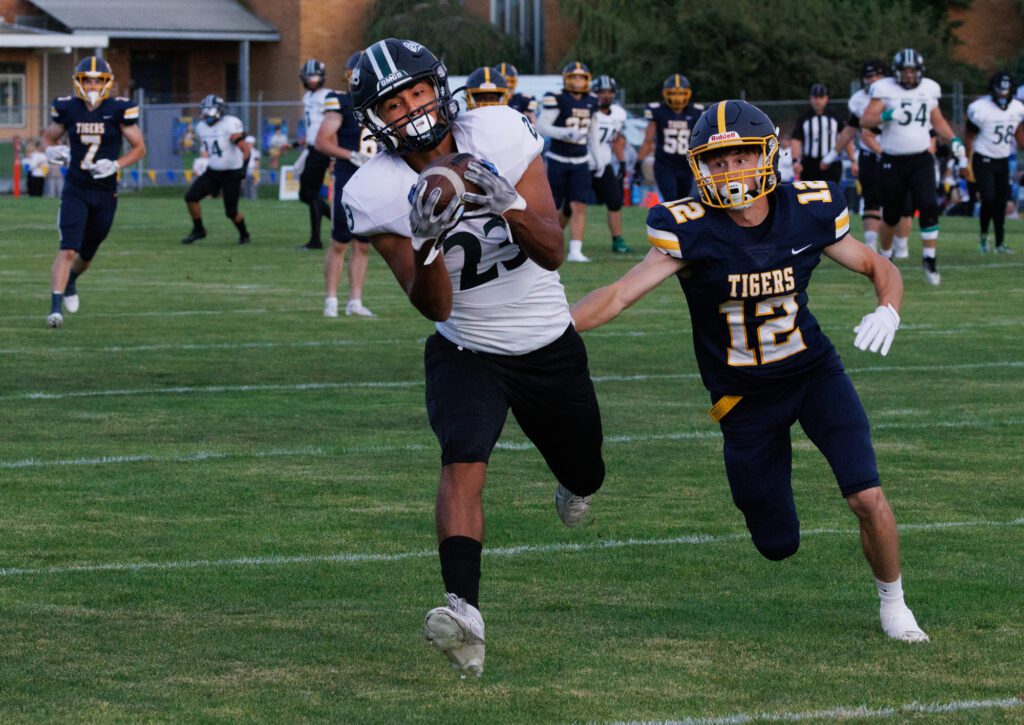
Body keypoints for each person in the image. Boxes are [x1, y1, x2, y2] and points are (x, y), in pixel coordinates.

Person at [571, 99, 928, 644]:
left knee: (866, 495)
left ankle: (895, 605)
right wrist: (547, 331)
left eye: (740, 157)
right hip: (743, 400)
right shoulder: (690, 230)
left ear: (767, 155)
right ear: (699, 168)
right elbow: (618, 296)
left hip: (813, 375)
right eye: (717, 162)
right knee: (776, 542)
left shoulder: (806, 210)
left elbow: (879, 265)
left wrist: (889, 308)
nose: (729, 171)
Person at [342, 38, 606, 678]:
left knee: (587, 471)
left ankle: (574, 481)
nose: (410, 109)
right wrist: (428, 243)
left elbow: (552, 250)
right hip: (467, 347)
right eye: (393, 103)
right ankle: (464, 613)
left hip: (546, 341)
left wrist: (509, 206)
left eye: (416, 92)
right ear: (374, 118)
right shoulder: (372, 191)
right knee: (463, 459)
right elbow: (432, 306)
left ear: (438, 86)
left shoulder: (498, 129)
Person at [41, 56, 146, 328]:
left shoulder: (119, 109)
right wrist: (51, 149)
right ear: (78, 81)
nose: (92, 84)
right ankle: (54, 310)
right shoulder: (68, 108)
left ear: (107, 82)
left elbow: (139, 148)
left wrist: (116, 164)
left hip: (105, 192)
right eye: (87, 79)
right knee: (67, 250)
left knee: (86, 254)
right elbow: (49, 136)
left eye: (97, 79)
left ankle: (72, 281)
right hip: (76, 188)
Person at [861, 48, 966, 285]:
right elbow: (865, 121)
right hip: (892, 159)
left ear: (920, 72)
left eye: (913, 71)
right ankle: (886, 259)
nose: (909, 76)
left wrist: (954, 139)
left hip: (921, 159)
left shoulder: (929, 88)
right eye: (905, 71)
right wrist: (887, 115)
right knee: (891, 214)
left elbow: (937, 120)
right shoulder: (884, 89)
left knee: (929, 205)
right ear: (897, 72)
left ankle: (929, 259)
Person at [315, 51, 375, 318]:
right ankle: (331, 300)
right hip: (348, 176)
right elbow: (322, 140)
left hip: (373, 178)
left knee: (363, 245)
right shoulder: (340, 101)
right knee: (340, 241)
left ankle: (355, 302)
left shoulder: (381, 102)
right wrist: (350, 155)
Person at [536, 61, 599, 262]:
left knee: (579, 205)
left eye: (582, 77)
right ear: (566, 79)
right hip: (558, 159)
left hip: (581, 159)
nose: (578, 82)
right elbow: (542, 126)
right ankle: (545, 243)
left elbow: (593, 133)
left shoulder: (592, 100)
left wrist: (599, 159)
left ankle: (575, 251)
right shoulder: (557, 99)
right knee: (553, 206)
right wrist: (564, 133)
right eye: (574, 77)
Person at [964, 71, 1024, 253]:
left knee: (1001, 202)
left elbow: (1017, 132)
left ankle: (999, 243)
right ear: (992, 90)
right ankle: (983, 237)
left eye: (1006, 91)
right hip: (983, 159)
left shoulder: (1017, 108)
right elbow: (969, 136)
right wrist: (965, 160)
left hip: (1003, 159)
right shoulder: (981, 108)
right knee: (988, 199)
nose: (1003, 95)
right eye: (1000, 91)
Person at [180, 95, 251, 245]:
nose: (207, 114)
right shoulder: (201, 127)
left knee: (231, 212)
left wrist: (243, 169)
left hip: (231, 173)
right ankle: (199, 230)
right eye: (205, 110)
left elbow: (245, 148)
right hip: (213, 171)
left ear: (219, 110)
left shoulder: (230, 124)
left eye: (210, 110)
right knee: (191, 197)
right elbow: (208, 148)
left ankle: (244, 235)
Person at [636, 74, 704, 203]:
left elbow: (700, 138)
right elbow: (648, 139)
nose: (677, 98)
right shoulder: (658, 110)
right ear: (665, 93)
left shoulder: (695, 112)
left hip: (686, 165)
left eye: (681, 93)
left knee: (683, 202)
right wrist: (639, 162)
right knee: (672, 201)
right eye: (673, 93)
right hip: (665, 164)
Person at [588, 74, 631, 254]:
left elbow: (617, 140)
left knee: (615, 201)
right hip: (583, 162)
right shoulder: (588, 110)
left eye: (609, 92)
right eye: (601, 92)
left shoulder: (618, 115)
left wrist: (621, 161)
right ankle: (555, 236)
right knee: (569, 206)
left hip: (604, 163)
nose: (605, 95)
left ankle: (617, 239)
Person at [297, 59, 333, 250]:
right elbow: (313, 127)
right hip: (312, 147)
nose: (312, 80)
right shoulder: (308, 97)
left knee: (310, 194)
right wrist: (296, 143)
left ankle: (315, 240)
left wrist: (333, 154)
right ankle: (339, 222)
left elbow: (334, 124)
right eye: (309, 76)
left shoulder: (327, 96)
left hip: (322, 148)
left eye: (315, 76)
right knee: (306, 194)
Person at [791, 84, 853, 184]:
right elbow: (796, 140)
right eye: (815, 97)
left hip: (832, 163)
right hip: (809, 164)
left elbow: (846, 137)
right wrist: (795, 161)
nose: (818, 101)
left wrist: (853, 160)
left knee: (832, 195)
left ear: (826, 98)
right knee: (810, 195)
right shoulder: (804, 118)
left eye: (821, 97)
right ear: (811, 98)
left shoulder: (836, 117)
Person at [243, 135, 261, 200]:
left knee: (252, 189)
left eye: (250, 143)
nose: (248, 145)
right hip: (245, 172)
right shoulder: (242, 152)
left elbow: (257, 165)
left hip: (252, 172)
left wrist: (256, 176)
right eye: (247, 143)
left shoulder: (255, 152)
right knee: (245, 190)